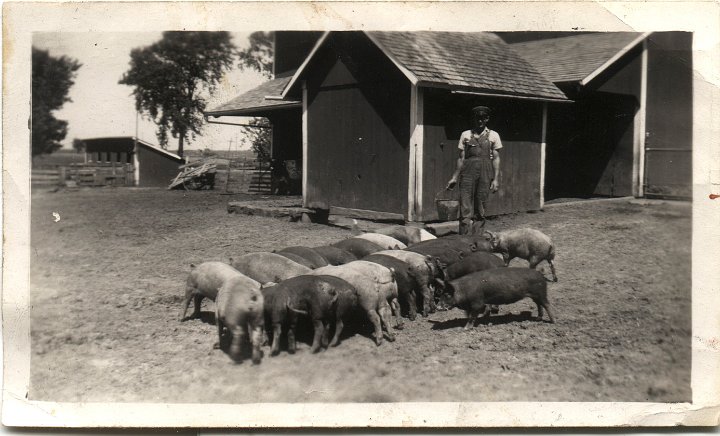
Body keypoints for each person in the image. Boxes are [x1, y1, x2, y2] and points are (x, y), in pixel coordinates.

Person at [445, 106, 502, 235]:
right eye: (477, 118)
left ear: (487, 119)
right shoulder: (465, 135)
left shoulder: (494, 135)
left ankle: (477, 240)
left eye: (482, 118)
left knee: (481, 208)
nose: (479, 121)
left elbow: (496, 158)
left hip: (485, 174)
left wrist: (496, 179)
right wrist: (454, 177)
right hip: (467, 174)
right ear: (473, 119)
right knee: (465, 207)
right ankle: (463, 240)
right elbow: (461, 158)